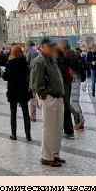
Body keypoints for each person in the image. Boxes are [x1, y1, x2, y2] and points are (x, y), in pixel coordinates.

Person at [30, 38, 65, 167]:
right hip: (49, 98)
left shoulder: (52, 59)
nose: (52, 49)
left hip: (57, 97)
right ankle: (47, 156)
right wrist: (44, 95)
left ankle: (55, 153)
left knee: (57, 128)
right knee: (49, 128)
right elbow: (36, 83)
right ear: (43, 47)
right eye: (50, 47)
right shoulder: (39, 61)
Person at [3, 45, 32, 142]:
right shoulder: (25, 63)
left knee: (13, 113)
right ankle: (28, 135)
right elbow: (28, 75)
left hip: (13, 91)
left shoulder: (10, 63)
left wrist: (4, 73)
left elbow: (5, 76)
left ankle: (14, 134)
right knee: (25, 113)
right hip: (23, 90)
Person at [56, 41, 75, 140]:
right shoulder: (66, 56)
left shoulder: (65, 57)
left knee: (65, 106)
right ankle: (67, 129)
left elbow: (64, 71)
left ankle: (68, 130)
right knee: (65, 106)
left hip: (64, 84)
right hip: (65, 83)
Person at [68, 46, 86, 130]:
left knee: (74, 102)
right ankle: (79, 121)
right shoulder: (76, 61)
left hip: (75, 81)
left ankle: (80, 121)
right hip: (75, 81)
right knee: (73, 102)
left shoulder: (74, 68)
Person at [26, 41, 40, 121]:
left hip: (32, 75)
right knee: (36, 95)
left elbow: (27, 63)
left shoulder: (30, 52)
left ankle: (33, 115)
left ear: (29, 45)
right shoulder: (37, 52)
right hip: (38, 75)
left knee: (32, 96)